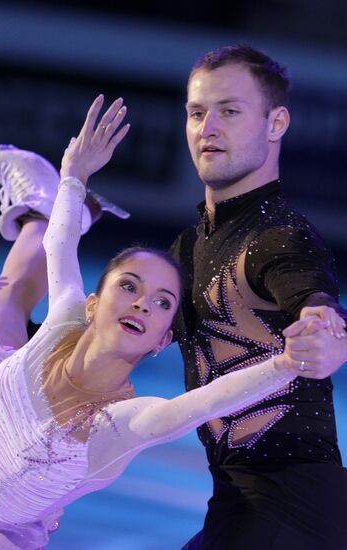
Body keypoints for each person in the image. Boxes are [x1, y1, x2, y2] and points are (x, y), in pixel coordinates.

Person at [0, 95, 331, 550]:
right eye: (129, 286)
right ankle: (47, 205)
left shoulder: (119, 425)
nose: (143, 303)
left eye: (162, 302)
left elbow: (205, 402)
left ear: (163, 339)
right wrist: (74, 175)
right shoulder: (64, 321)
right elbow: (60, 249)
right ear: (92, 303)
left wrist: (288, 364)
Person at [170, 44, 347, 549]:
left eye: (229, 111)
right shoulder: (187, 247)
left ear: (276, 123)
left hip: (292, 511)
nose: (208, 128)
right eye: (197, 112)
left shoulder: (277, 236)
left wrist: (329, 334)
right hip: (239, 507)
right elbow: (112, 345)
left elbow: (312, 295)